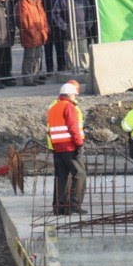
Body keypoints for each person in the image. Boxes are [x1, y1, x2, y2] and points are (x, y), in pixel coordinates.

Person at [47, 81, 87, 215]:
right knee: (80, 174)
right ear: (69, 95)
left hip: (57, 147)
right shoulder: (69, 107)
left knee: (62, 177)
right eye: (74, 95)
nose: (75, 98)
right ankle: (74, 205)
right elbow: (73, 127)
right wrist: (79, 143)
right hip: (70, 146)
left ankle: (59, 207)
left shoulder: (53, 107)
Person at [17, 0, 50, 86]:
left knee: (37, 57)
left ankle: (35, 76)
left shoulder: (38, 1)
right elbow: (24, 21)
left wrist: (44, 29)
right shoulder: (23, 3)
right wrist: (33, 32)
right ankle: (27, 79)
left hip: (40, 33)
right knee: (29, 58)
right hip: (30, 35)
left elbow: (43, 17)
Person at [41, 0, 67, 76]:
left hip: (58, 23)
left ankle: (61, 67)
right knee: (48, 47)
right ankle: (49, 69)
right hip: (46, 24)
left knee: (60, 46)